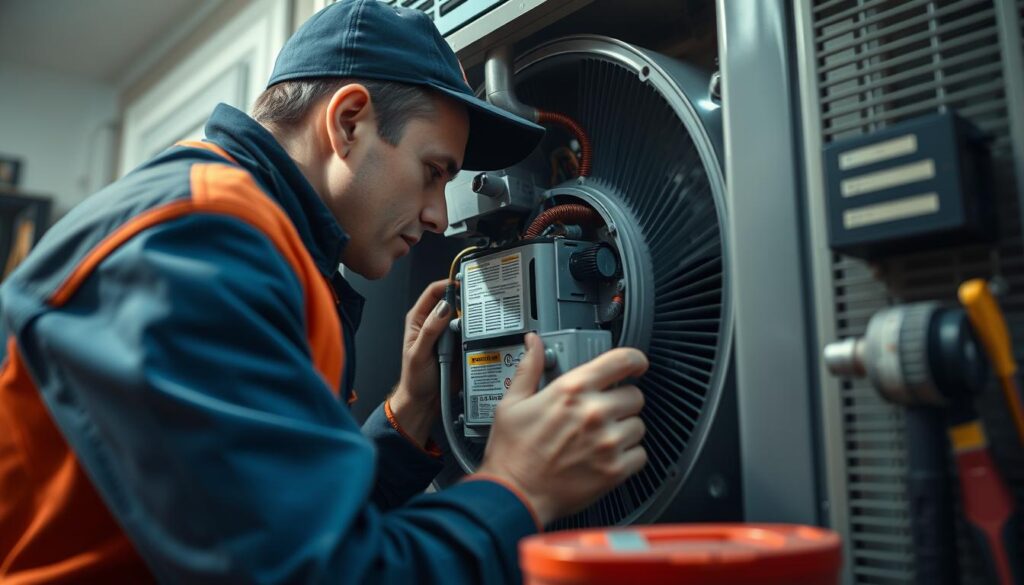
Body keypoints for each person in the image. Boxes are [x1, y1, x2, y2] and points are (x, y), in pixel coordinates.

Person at [0, 1, 648, 582]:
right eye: (432, 172)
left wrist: (409, 412)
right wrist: (518, 486)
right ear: (349, 122)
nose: (436, 217)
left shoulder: (247, 235)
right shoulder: (198, 240)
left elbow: (284, 516)